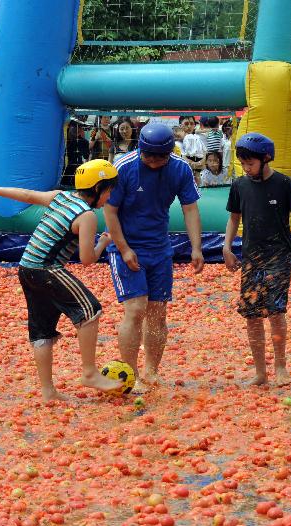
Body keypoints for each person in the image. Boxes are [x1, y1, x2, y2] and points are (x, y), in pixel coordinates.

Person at [0, 160, 122, 401]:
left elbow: (27, 195)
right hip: (46, 269)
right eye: (109, 191)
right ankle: (90, 373)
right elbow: (86, 259)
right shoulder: (87, 216)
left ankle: (48, 391)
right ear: (97, 189)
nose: (110, 196)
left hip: (26, 267)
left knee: (42, 330)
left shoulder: (61, 197)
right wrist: (102, 243)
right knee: (90, 310)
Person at [104, 123, 204, 388]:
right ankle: (130, 374)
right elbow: (110, 212)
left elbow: (190, 209)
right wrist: (124, 249)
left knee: (158, 312)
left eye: (161, 158)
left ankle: (151, 370)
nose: (155, 163)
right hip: (126, 245)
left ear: (169, 153)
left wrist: (196, 247)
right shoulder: (123, 168)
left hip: (159, 249)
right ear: (141, 151)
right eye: (149, 157)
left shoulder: (180, 169)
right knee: (135, 310)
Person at [222, 133, 291, 386]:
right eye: (243, 164)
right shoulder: (240, 185)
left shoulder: (284, 184)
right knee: (251, 315)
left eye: (250, 163)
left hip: (279, 256)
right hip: (251, 258)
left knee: (275, 312)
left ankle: (281, 366)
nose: (246, 168)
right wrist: (226, 246)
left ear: (265, 159)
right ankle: (260, 371)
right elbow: (234, 219)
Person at [62, 119, 89, 186]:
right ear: (80, 131)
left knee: (65, 183)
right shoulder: (84, 142)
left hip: (67, 165)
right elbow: (86, 156)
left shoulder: (66, 141)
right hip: (77, 166)